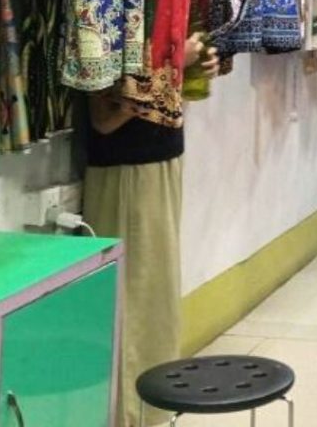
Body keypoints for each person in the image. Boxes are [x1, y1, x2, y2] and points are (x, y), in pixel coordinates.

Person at [81, 32, 220, 427]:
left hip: (160, 161)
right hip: (127, 170)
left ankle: (150, 408)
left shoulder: (161, 5)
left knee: (154, 297)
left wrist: (194, 67)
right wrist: (172, 66)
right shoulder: (112, 13)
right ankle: (128, 414)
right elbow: (105, 120)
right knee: (133, 303)